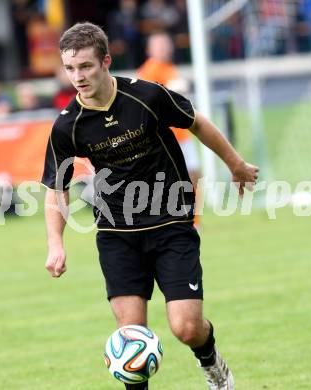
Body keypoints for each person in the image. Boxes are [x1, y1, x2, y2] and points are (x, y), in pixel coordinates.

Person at [42, 22, 258, 390]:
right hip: (117, 234)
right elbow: (55, 187)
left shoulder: (146, 96)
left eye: (86, 67)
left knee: (186, 327)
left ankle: (213, 365)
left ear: (106, 61)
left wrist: (235, 164)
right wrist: (55, 243)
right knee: (130, 338)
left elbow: (197, 123)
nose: (77, 76)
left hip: (171, 224)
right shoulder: (68, 126)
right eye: (70, 69)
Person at [137, 32, 202, 228]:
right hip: (165, 135)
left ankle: (193, 219)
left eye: (166, 44)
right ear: (149, 50)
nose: (164, 48)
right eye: (159, 45)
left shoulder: (169, 68)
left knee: (193, 174)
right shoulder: (148, 72)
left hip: (181, 133)